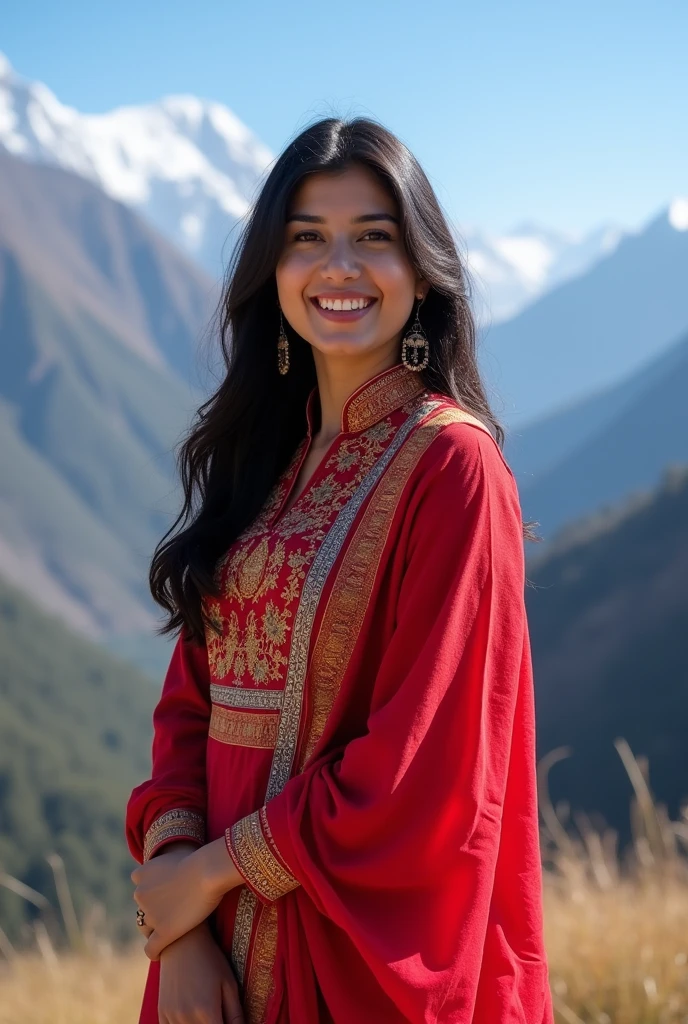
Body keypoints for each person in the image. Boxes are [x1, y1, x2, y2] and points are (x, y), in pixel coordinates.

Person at [126, 115, 554, 1024]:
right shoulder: (267, 466)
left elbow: (424, 772)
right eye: (307, 238)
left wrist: (206, 878)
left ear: (422, 268)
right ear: (272, 271)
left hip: (354, 965)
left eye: (375, 238)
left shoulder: (454, 471)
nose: (340, 268)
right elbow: (189, 707)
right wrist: (187, 932)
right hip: (209, 967)